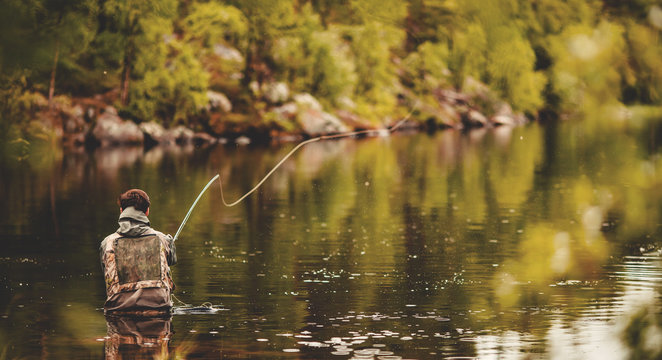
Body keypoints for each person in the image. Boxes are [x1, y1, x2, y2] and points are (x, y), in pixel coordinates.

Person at [100, 189, 177, 315]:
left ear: (121, 211)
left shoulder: (106, 243)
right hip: (160, 311)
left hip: (118, 313)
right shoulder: (163, 240)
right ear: (147, 212)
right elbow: (172, 261)